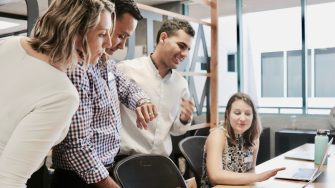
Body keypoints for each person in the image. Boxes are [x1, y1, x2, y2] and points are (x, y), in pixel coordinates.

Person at [0, 0, 115, 188]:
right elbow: (9, 180)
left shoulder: (9, 44)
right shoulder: (62, 94)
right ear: (75, 31)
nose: (109, 43)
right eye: (102, 34)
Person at [51, 1, 154, 188]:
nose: (120, 45)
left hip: (103, 168)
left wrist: (142, 101)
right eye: (120, 35)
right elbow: (76, 146)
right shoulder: (76, 69)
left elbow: (128, 87)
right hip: (80, 177)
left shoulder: (105, 62)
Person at [116, 18, 195, 157]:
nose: (185, 54)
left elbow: (176, 130)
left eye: (188, 49)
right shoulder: (126, 70)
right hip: (126, 160)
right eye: (181, 46)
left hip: (162, 161)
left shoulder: (181, 84)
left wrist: (184, 118)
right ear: (163, 37)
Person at [200, 92, 285, 187]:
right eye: (237, 113)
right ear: (228, 114)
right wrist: (258, 177)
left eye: (248, 114)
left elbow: (250, 169)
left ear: (253, 117)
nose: (243, 118)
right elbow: (215, 176)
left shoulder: (254, 137)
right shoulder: (218, 135)